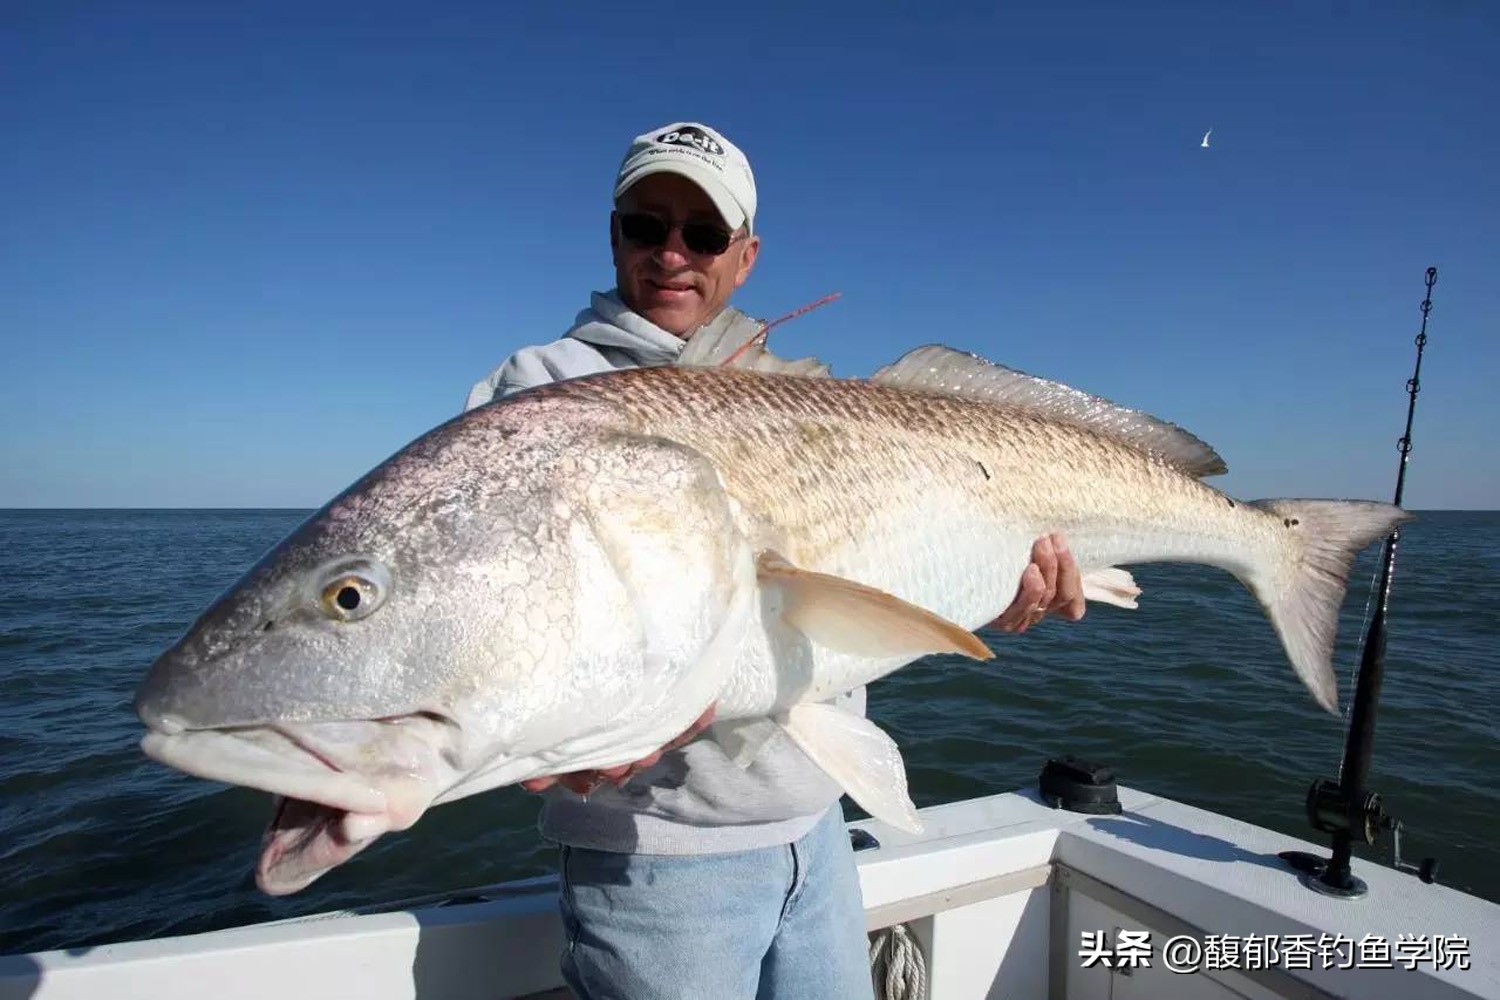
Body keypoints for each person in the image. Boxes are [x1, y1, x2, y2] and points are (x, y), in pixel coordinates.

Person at [464, 121, 1084, 1000]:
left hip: (819, 827)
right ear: (613, 236)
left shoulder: (807, 394)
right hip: (658, 859)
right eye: (648, 226)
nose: (673, 254)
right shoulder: (540, 391)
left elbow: (891, 570)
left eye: (704, 234)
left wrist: (994, 591)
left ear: (745, 255)